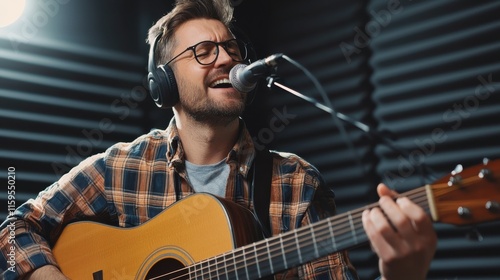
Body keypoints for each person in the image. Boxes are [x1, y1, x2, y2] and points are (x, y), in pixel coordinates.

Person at [0, 0, 437, 279]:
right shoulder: (120, 168)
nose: (226, 59)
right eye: (203, 52)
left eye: (230, 49)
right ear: (164, 85)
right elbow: (14, 225)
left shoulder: (295, 183)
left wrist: (401, 275)